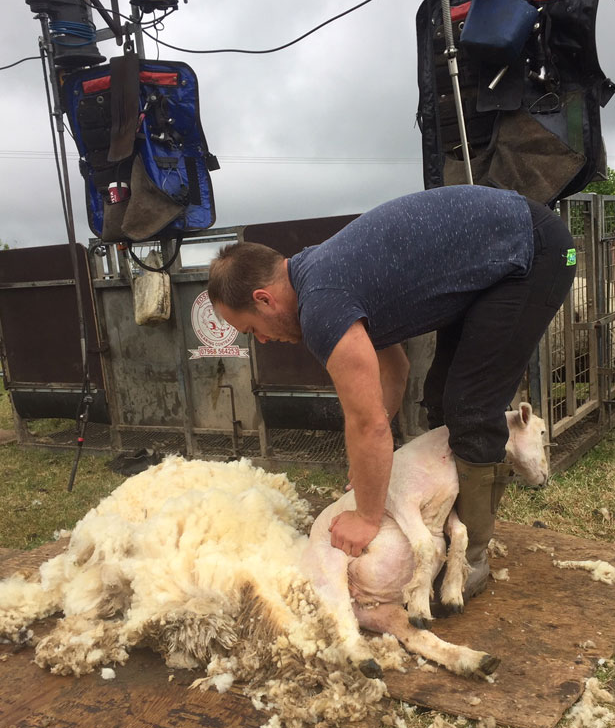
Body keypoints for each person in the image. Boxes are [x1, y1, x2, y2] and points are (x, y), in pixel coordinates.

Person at [207, 185, 576, 606]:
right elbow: (394, 369)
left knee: (470, 407)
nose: (264, 341)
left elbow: (368, 423)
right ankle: (445, 529)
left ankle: (469, 559)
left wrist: (366, 515)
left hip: (533, 253)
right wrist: (372, 468)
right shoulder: (320, 275)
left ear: (264, 299)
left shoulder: (322, 306)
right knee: (441, 399)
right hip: (498, 258)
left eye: (253, 329)